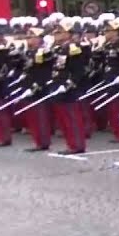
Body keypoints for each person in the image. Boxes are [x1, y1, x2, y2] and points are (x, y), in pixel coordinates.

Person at [46, 18, 91, 154]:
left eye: (60, 32)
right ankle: (70, 144)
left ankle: (77, 145)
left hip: (69, 90)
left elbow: (78, 70)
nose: (56, 34)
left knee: (72, 120)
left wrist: (68, 84)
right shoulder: (59, 48)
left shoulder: (73, 49)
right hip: (59, 87)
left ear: (68, 34)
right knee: (64, 120)